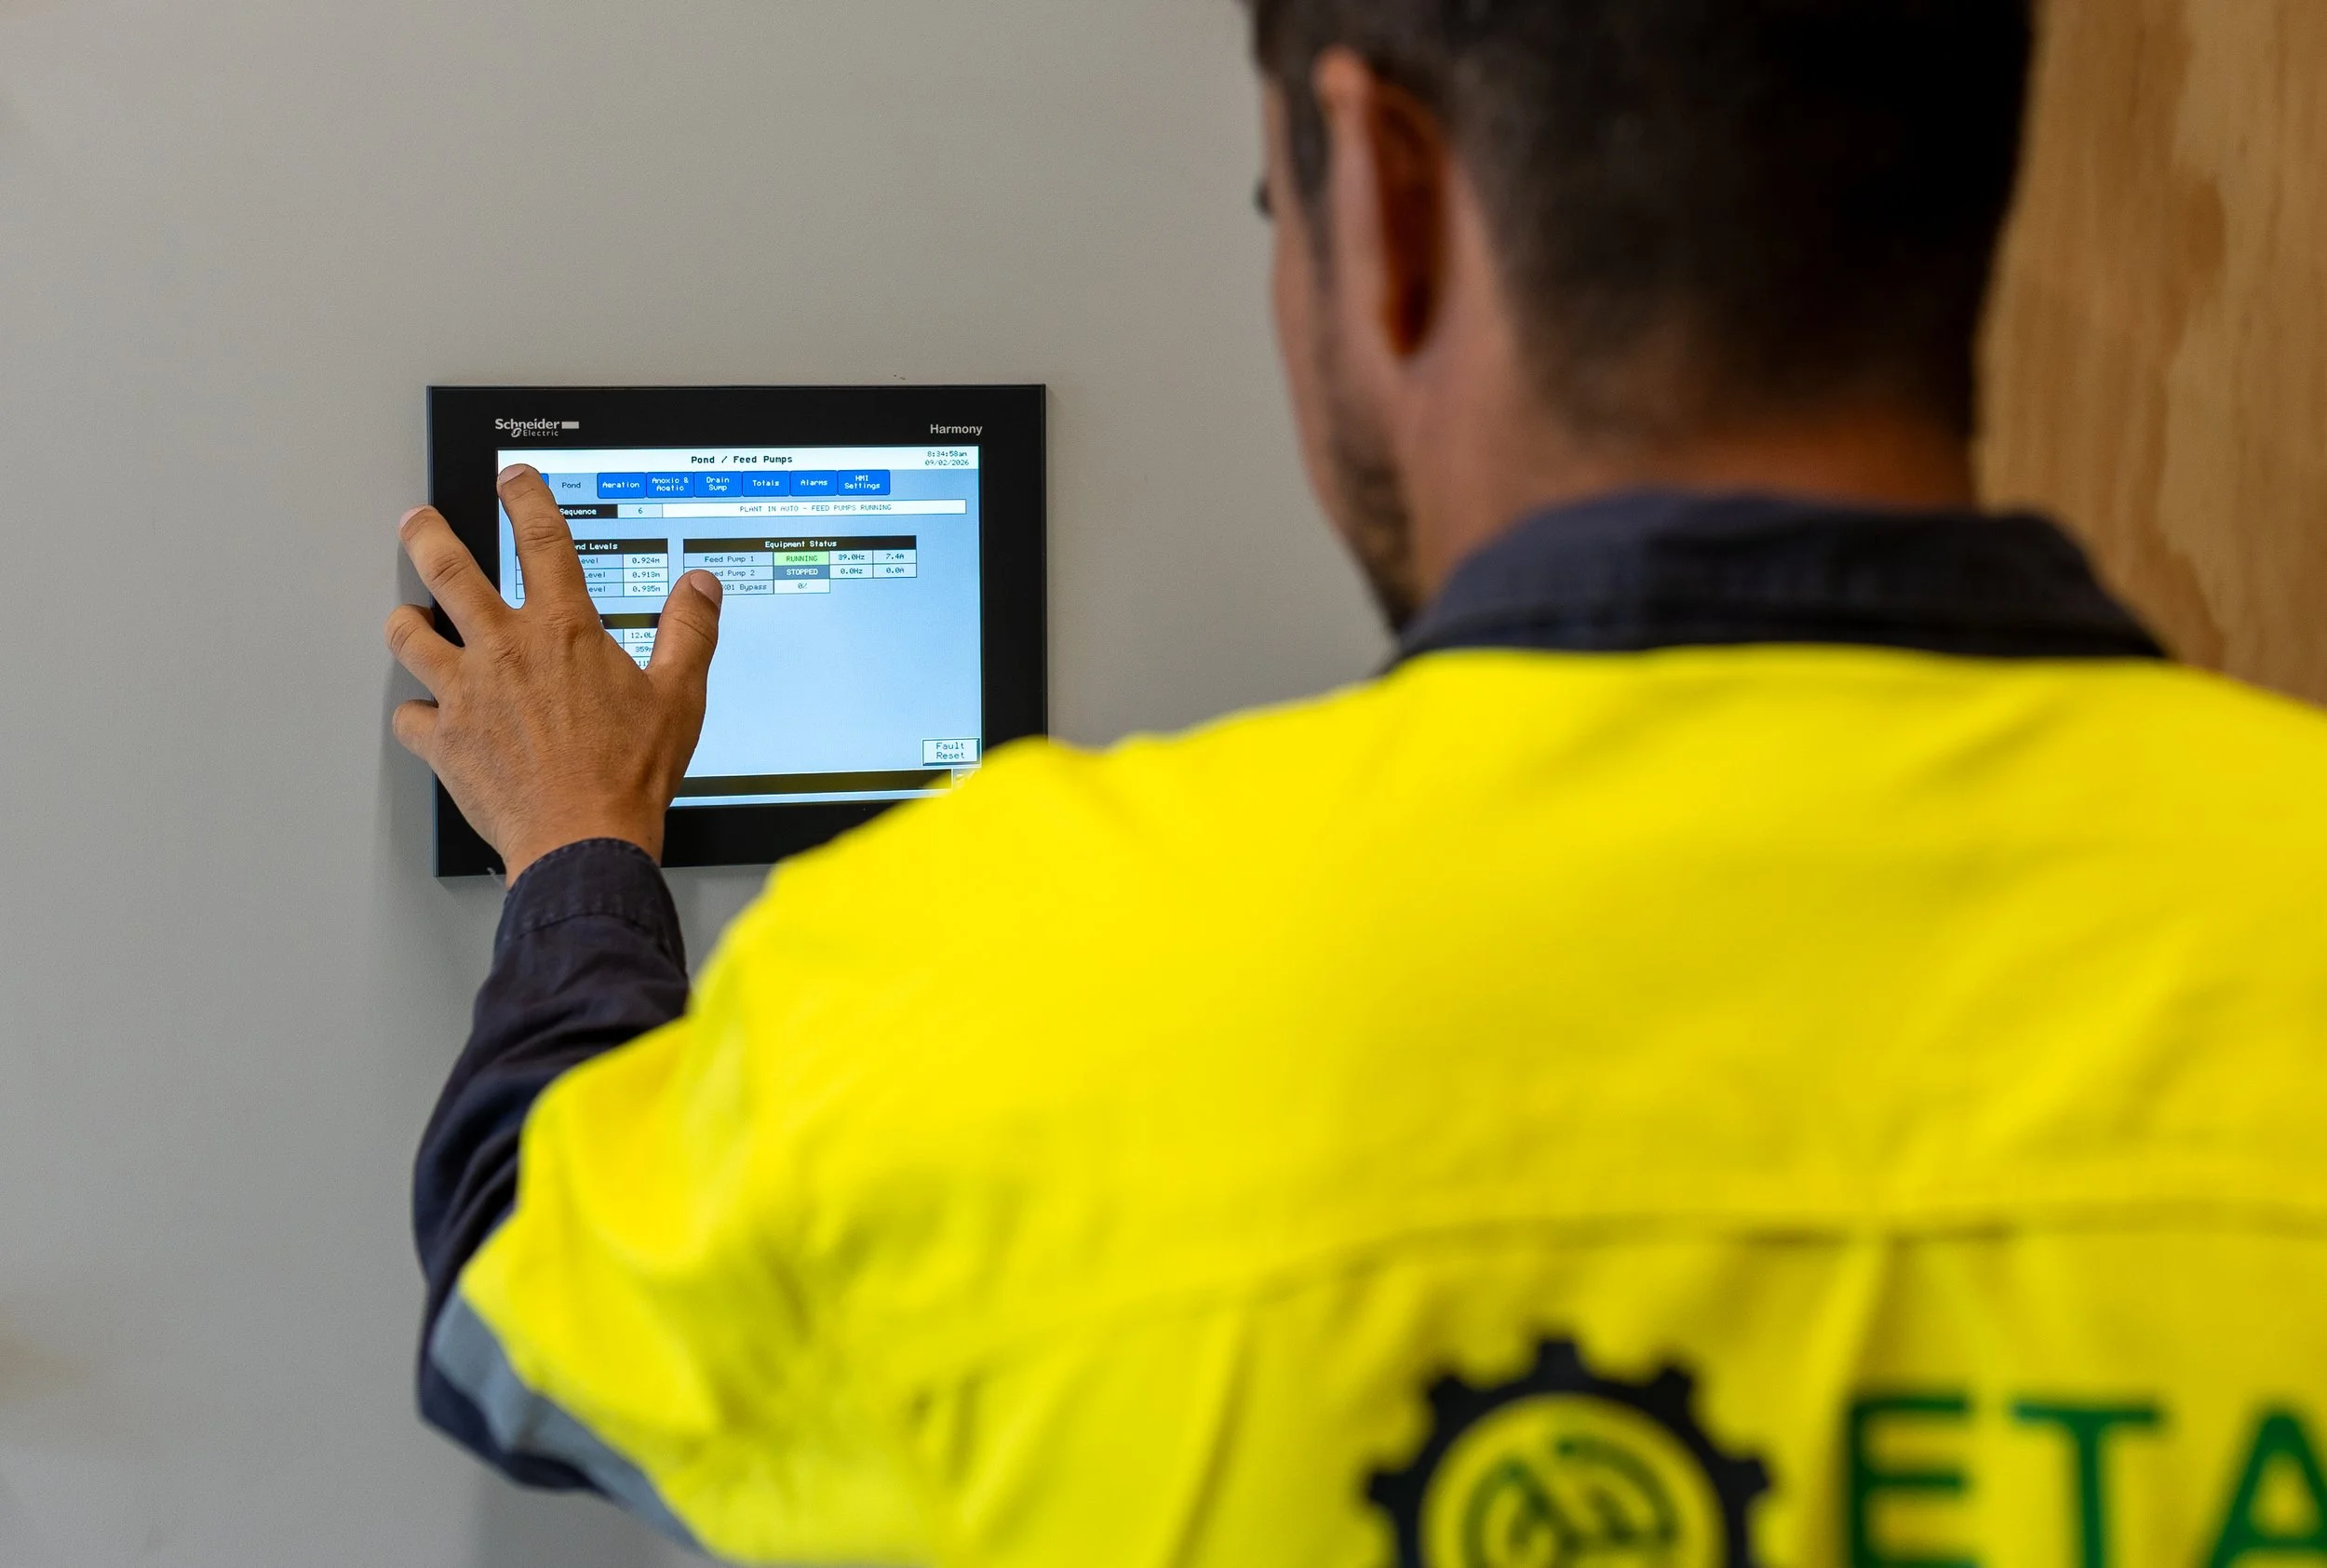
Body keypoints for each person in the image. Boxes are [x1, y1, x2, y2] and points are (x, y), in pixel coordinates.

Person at [386, 2, 2327, 1563]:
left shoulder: (986, 975)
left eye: (1268, 208)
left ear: (1384, 195)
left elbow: (517, 1305)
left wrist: (575, 846)